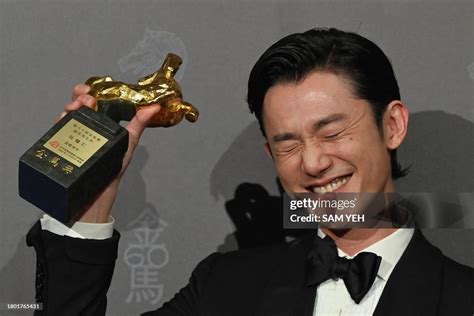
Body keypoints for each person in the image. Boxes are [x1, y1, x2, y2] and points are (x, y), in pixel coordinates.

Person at [27, 27, 474, 315]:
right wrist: (90, 197)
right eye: (289, 143)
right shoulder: (224, 288)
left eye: (332, 132)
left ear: (392, 125)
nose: (313, 162)